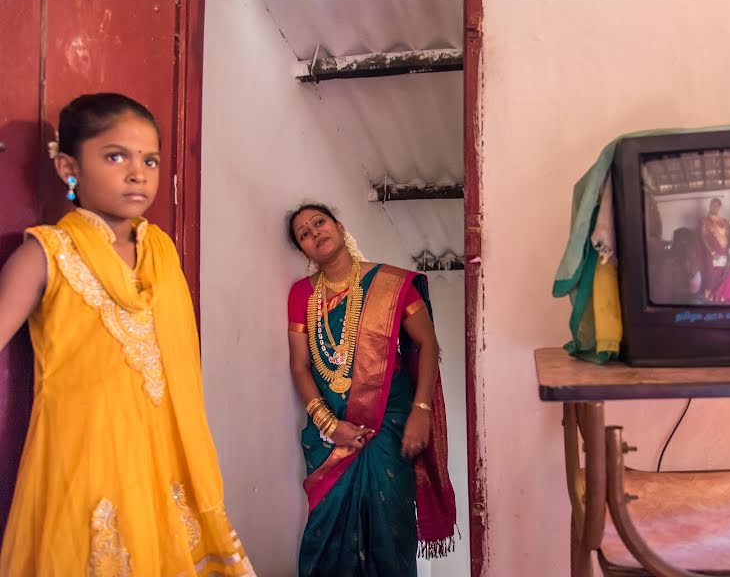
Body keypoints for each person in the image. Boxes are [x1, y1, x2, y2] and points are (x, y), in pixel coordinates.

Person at [0, 93, 254, 576]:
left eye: (150, 159)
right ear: (67, 167)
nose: (138, 172)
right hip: (83, 466)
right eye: (115, 156)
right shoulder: (46, 254)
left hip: (166, 463)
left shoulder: (161, 251)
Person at [286, 203, 456, 577]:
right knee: (325, 534)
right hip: (331, 435)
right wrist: (329, 425)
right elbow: (300, 366)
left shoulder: (391, 284)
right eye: (304, 234)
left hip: (390, 426)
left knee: (390, 532)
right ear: (303, 250)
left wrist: (421, 411)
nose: (315, 233)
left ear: (339, 225)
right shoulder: (302, 295)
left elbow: (428, 345)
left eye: (320, 222)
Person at [698, 197, 729, 298]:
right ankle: (708, 294)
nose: (714, 207)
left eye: (716, 205)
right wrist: (712, 252)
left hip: (723, 251)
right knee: (710, 273)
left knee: (722, 272)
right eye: (712, 205)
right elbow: (702, 237)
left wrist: (727, 252)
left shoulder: (724, 221)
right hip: (710, 252)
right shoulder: (704, 220)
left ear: (720, 207)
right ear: (710, 206)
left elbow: (727, 237)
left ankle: (718, 294)